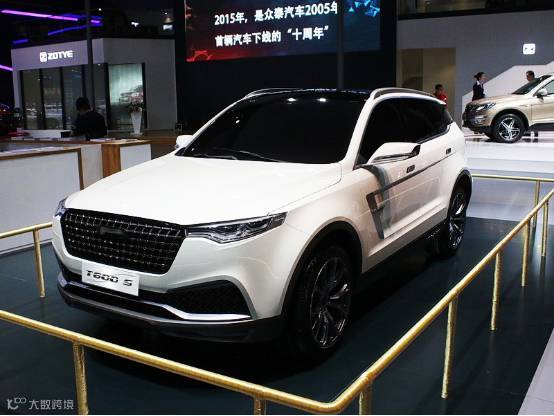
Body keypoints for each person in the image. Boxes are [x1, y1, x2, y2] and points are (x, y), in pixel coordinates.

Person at [525, 71, 539, 140]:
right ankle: (529, 133)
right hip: (530, 103)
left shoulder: (537, 82)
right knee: (529, 118)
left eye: (527, 76)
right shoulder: (529, 84)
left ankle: (535, 134)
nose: (527, 78)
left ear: (531, 76)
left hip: (536, 103)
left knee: (535, 118)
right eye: (526, 76)